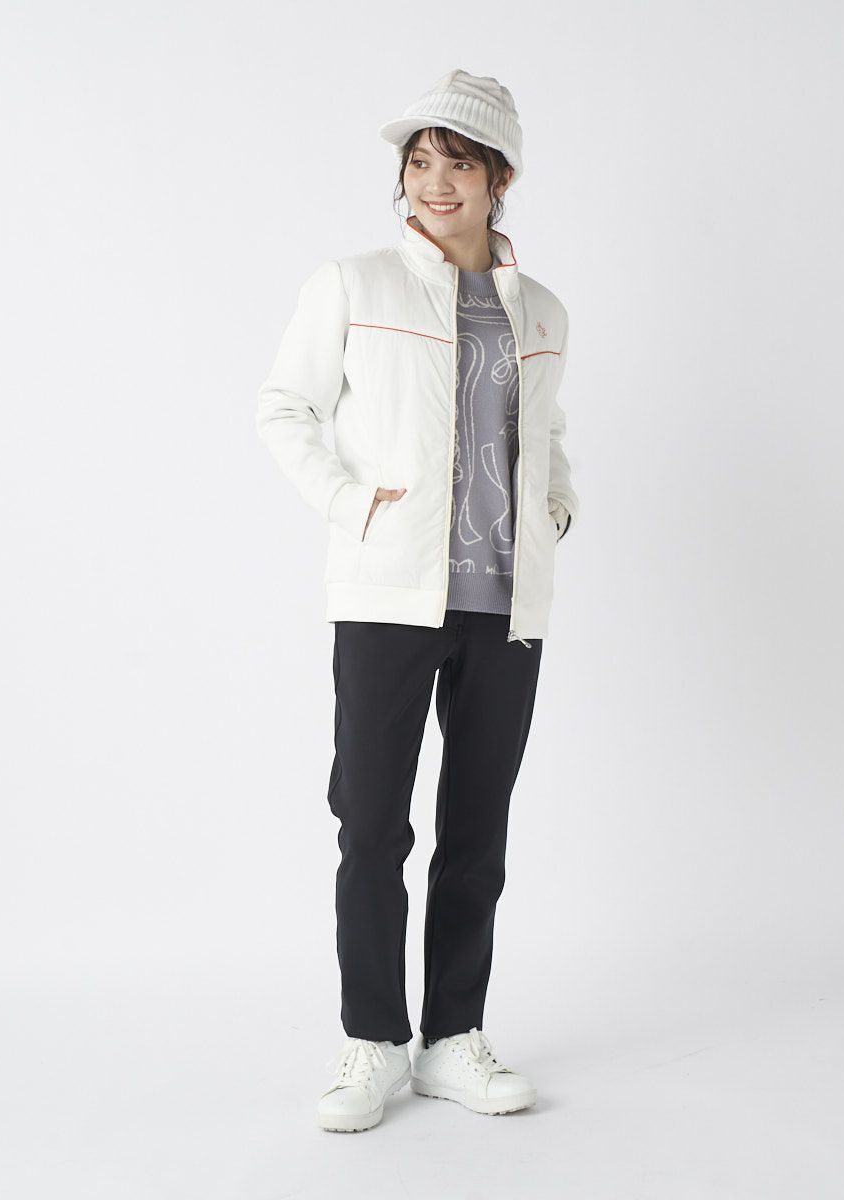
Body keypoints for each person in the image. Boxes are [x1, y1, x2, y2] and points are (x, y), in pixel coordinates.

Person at [256, 69, 580, 1133]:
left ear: (500, 179)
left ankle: (451, 1039)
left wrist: (556, 507)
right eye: (419, 161)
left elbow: (547, 430)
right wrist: (349, 502)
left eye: (459, 163)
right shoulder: (354, 285)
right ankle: (373, 1041)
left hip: (505, 603)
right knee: (370, 824)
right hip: (388, 592)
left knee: (476, 830)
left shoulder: (542, 310)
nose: (434, 181)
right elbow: (285, 407)